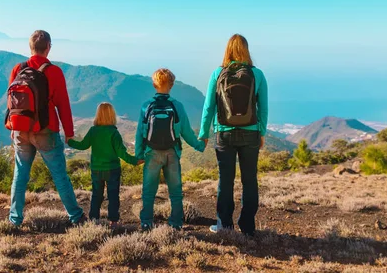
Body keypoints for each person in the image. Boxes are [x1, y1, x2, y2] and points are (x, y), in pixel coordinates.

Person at [7, 30, 85, 227]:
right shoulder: (54, 72)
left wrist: (13, 128)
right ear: (48, 47)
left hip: (20, 129)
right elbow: (63, 105)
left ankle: (15, 219)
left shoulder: (18, 69)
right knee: (59, 174)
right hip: (45, 130)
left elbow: (12, 102)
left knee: (20, 173)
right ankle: (75, 216)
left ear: (30, 47)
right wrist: (69, 132)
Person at [199, 34, 268, 236]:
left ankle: (224, 226)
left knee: (225, 181)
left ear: (227, 49)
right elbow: (263, 108)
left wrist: (204, 133)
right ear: (246, 49)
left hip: (224, 134)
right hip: (251, 134)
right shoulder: (258, 74)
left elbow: (208, 107)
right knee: (250, 180)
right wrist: (261, 132)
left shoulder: (217, 73)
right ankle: (247, 227)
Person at [135, 68, 208, 230]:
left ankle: (146, 222)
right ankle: (175, 223)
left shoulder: (146, 106)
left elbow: (140, 132)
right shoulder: (177, 106)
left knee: (148, 191)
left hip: (151, 153)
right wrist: (199, 145)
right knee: (175, 192)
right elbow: (186, 132)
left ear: (154, 84)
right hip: (172, 153)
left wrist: (138, 154)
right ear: (172, 85)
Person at [67, 102, 143, 228]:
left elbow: (82, 145)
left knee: (96, 195)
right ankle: (113, 221)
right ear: (112, 115)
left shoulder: (93, 131)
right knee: (113, 195)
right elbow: (122, 153)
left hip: (96, 169)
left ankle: (93, 220)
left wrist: (70, 142)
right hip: (112, 169)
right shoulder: (114, 133)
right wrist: (136, 161)